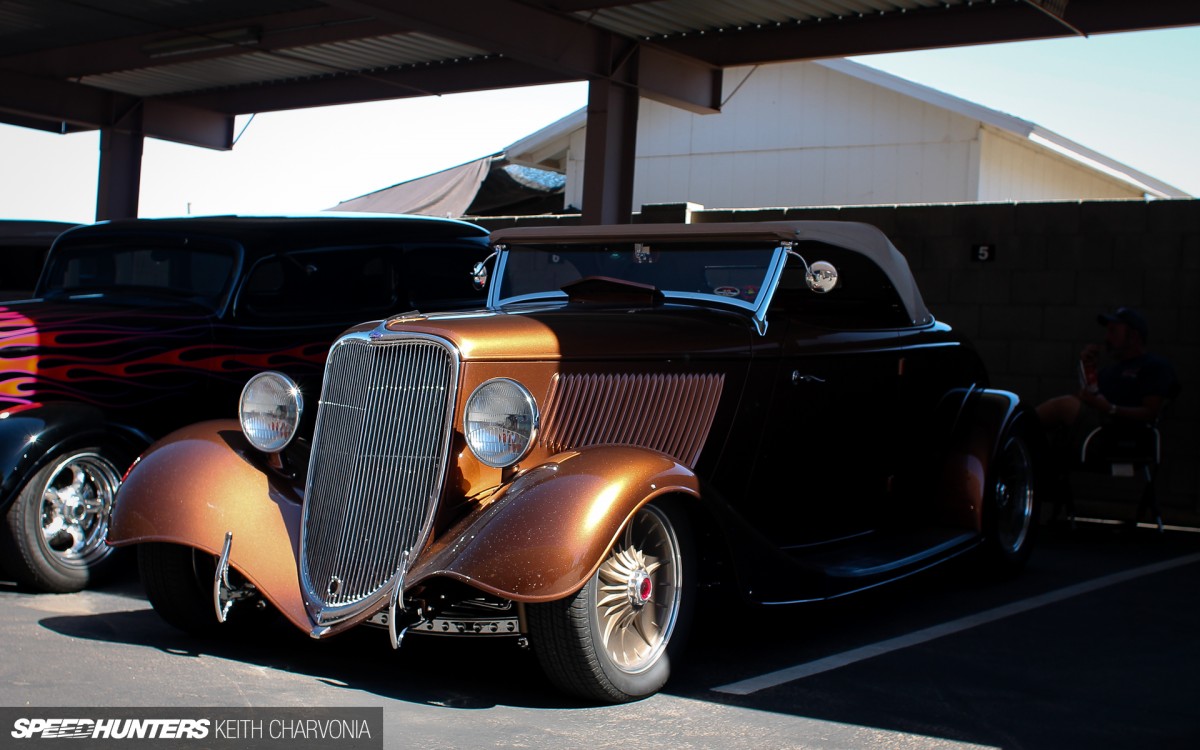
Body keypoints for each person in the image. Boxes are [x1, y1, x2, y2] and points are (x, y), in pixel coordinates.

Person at [1037, 306, 1176, 431]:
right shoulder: (1110, 371)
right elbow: (1084, 399)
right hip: (1098, 429)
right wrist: (1086, 370)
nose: (1107, 338)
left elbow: (1151, 413)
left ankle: (1020, 424)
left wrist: (1110, 409)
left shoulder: (1154, 366)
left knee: (1065, 406)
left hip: (1122, 434)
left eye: (1113, 331)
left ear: (1133, 336)